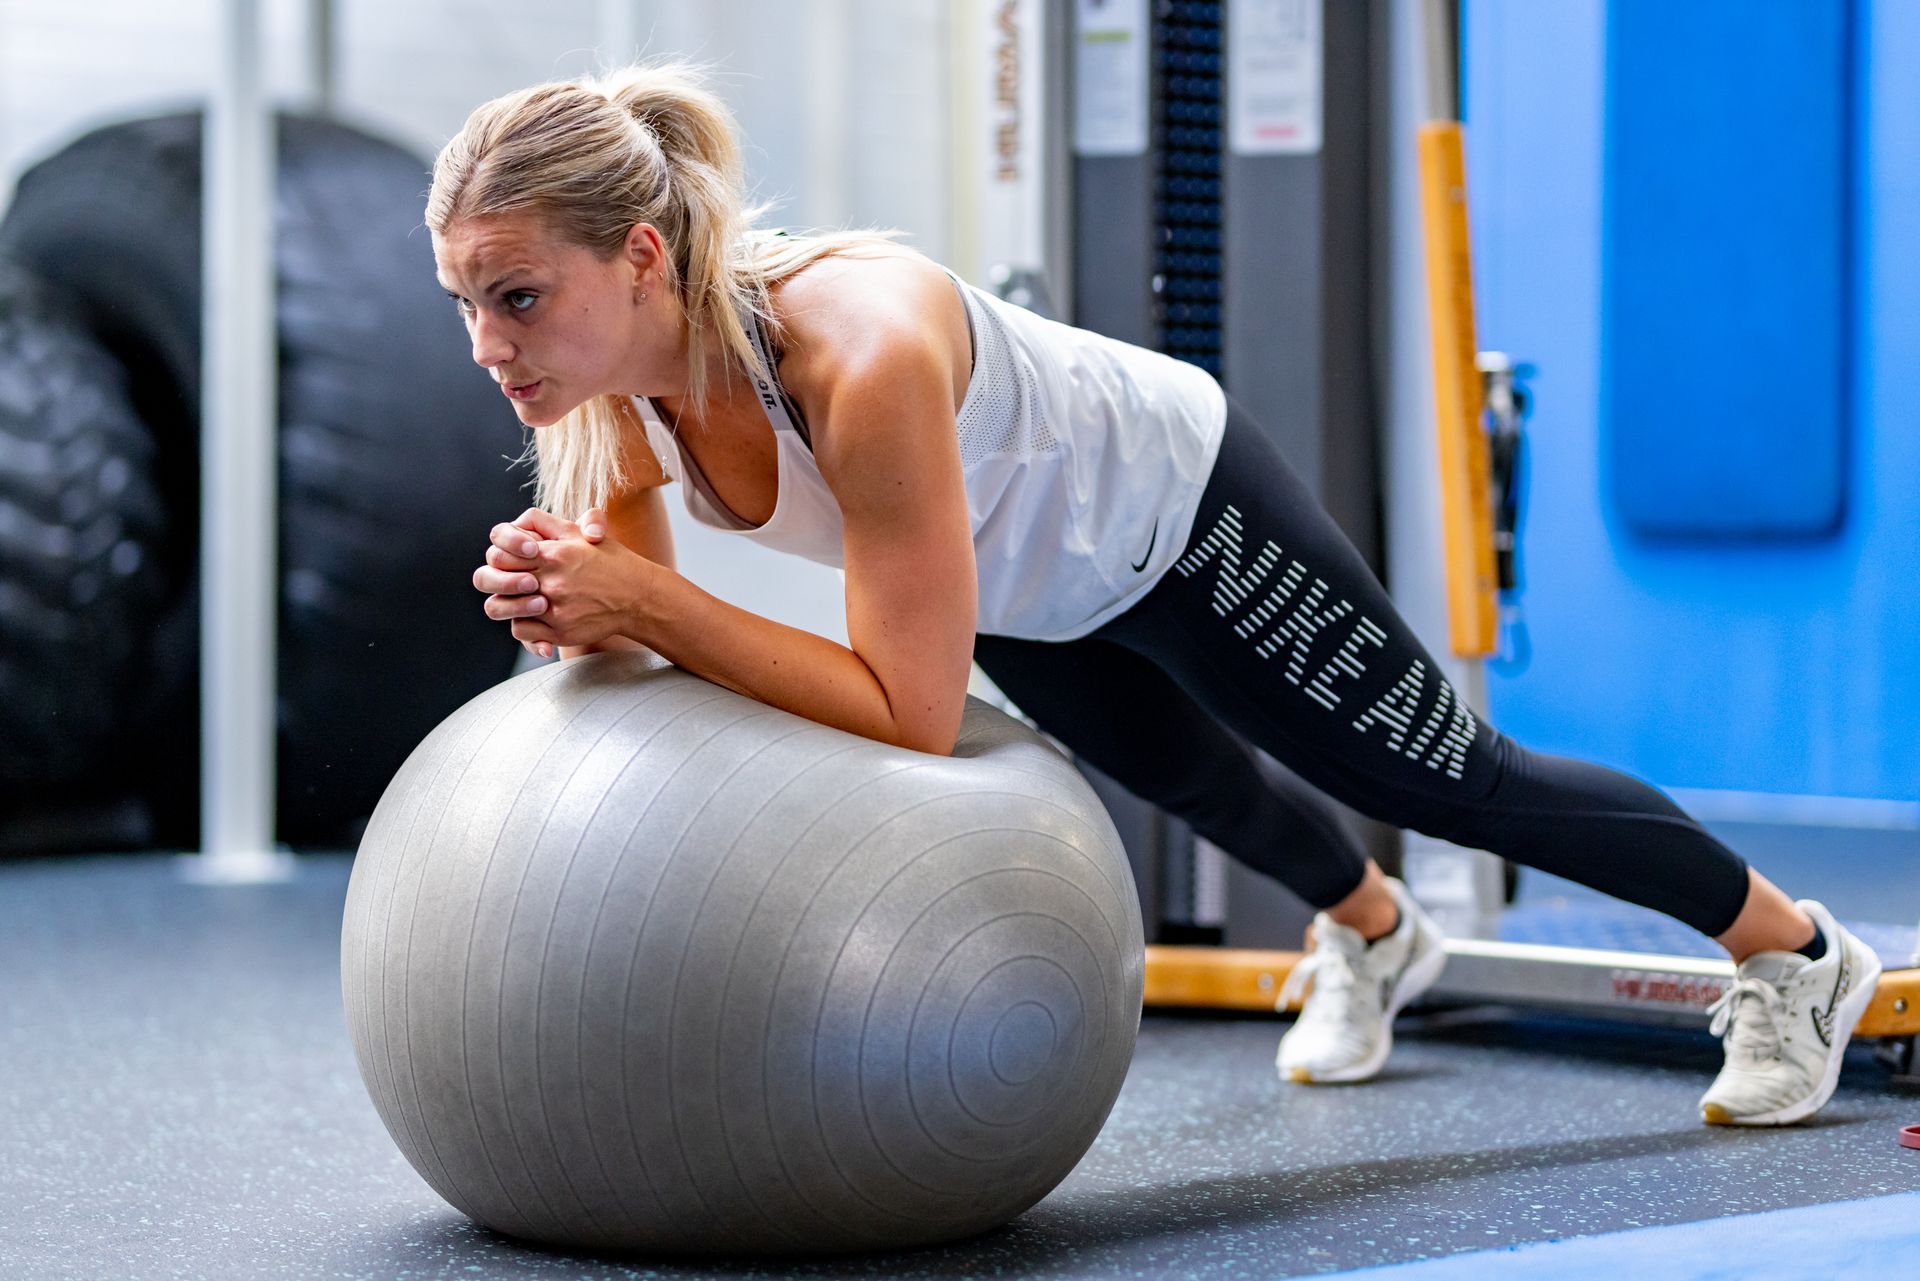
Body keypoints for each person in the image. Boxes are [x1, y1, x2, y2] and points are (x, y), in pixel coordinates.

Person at [429, 63, 1880, 1127]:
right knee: (1198, 788)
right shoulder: (604, 402)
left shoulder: (852, 361)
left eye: (516, 295)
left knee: (1446, 775)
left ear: (634, 256)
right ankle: (1374, 932)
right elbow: (649, 659)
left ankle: (1795, 952)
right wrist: (579, 606)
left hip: (1178, 509)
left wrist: (637, 603)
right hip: (1019, 570)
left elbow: (908, 712)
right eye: (464, 301)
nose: (489, 342)